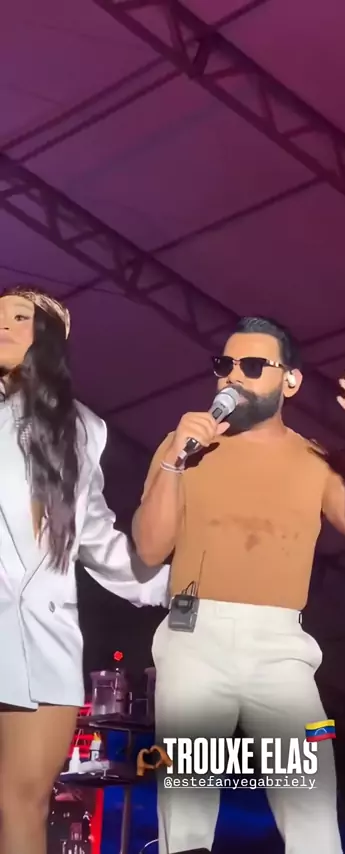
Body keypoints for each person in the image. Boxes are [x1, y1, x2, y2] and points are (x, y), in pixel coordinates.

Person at [134, 315, 345, 854]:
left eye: (252, 366)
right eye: (224, 364)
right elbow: (150, 548)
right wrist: (176, 460)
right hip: (193, 639)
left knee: (312, 810)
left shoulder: (315, 459)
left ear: (290, 381)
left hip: (282, 650)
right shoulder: (183, 445)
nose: (233, 375)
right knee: (185, 814)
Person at [0, 286, 170, 854]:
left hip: (44, 635)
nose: (2, 326)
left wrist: (173, 585)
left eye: (18, 317)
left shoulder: (81, 428)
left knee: (24, 801)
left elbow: (93, 535)